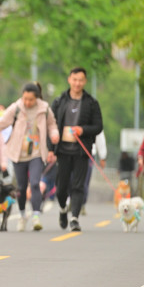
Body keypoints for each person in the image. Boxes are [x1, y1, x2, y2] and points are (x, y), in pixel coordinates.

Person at [0, 83, 59, 232]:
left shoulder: (44, 109)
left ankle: (36, 216)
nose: (27, 102)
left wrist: (54, 134)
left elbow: (52, 125)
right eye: (25, 98)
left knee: (35, 183)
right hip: (18, 154)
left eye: (31, 99)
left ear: (37, 98)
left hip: (36, 152)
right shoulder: (16, 108)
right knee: (21, 187)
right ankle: (22, 215)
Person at [49, 67, 103, 232]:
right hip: (62, 151)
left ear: (85, 81)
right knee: (61, 187)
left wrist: (82, 130)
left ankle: (74, 218)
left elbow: (98, 126)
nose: (77, 83)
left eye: (80, 80)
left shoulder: (91, 103)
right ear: (69, 80)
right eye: (75, 80)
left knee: (78, 186)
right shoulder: (59, 101)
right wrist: (50, 149)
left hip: (81, 151)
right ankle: (63, 209)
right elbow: (50, 125)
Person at [81, 131, 107, 215]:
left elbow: (99, 135)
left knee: (84, 179)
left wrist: (102, 156)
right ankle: (71, 199)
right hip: (71, 150)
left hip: (89, 152)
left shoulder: (94, 122)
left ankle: (82, 203)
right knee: (71, 178)